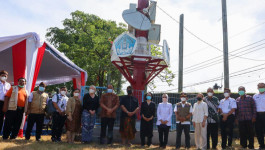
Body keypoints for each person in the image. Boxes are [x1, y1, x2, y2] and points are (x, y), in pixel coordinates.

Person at [253, 83, 265, 149]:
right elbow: (253, 106)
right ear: (257, 88)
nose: (261, 88)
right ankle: (261, 145)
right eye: (260, 87)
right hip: (257, 115)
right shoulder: (255, 96)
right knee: (258, 131)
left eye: (263, 87)